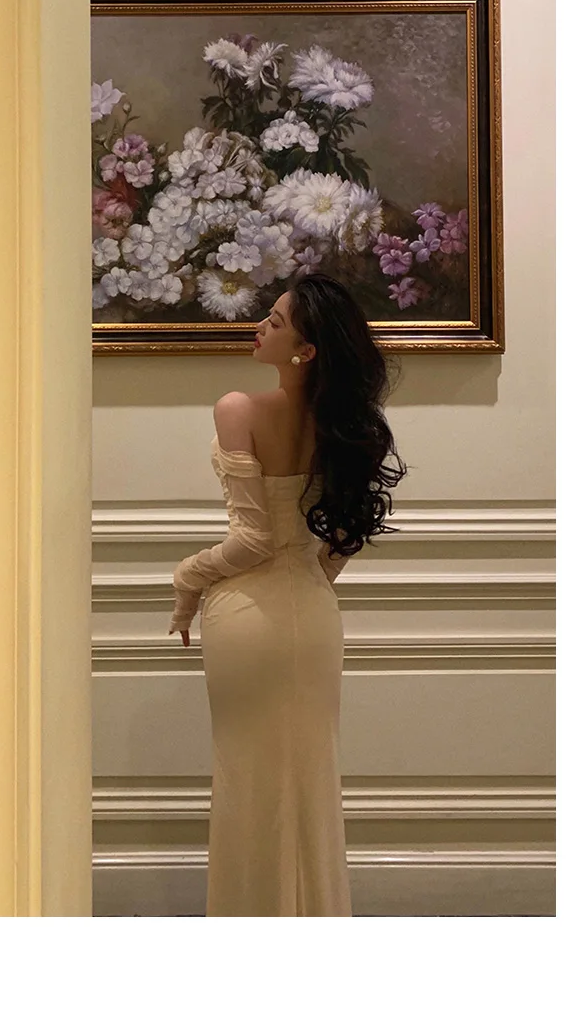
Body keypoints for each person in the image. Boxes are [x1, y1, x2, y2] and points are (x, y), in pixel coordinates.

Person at [168, 272, 409, 916]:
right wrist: (308, 579)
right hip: (314, 611)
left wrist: (186, 579)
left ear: (305, 350)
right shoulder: (343, 425)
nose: (259, 327)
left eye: (274, 322)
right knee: (310, 778)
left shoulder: (238, 409)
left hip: (248, 617)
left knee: (247, 779)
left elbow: (251, 541)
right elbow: (343, 538)